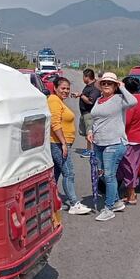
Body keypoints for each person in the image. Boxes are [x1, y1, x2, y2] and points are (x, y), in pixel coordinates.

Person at [88, 72, 137, 221]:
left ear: (115, 85)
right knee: (104, 174)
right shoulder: (99, 100)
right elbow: (95, 118)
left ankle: (109, 208)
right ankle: (116, 201)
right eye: (104, 83)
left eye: (110, 83)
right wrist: (90, 130)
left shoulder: (119, 99)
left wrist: (122, 87)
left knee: (109, 176)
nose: (106, 85)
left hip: (114, 143)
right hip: (99, 143)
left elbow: (133, 101)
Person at [47, 77, 92, 216]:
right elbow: (55, 124)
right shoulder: (53, 100)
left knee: (56, 174)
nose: (66, 91)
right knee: (69, 173)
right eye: (63, 88)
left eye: (67, 88)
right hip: (58, 143)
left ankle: (50, 201)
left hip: (61, 143)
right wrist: (63, 143)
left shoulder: (59, 101)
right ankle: (73, 204)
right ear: (55, 88)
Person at [117, 76, 140, 206]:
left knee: (128, 168)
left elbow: (126, 121)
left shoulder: (131, 102)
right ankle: (130, 192)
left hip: (130, 138)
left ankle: (131, 194)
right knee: (133, 167)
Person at [73, 69, 100, 158]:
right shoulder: (88, 86)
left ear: (87, 77)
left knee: (90, 133)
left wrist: (81, 95)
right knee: (86, 133)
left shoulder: (94, 88)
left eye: (84, 77)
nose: (83, 79)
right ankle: (88, 149)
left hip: (89, 114)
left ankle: (90, 151)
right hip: (84, 113)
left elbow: (90, 101)